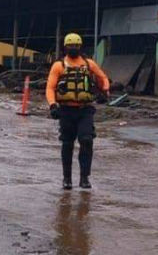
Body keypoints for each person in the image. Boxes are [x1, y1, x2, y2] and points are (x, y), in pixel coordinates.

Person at [46, 33, 110, 190]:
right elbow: (50, 87)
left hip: (85, 110)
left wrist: (105, 90)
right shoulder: (59, 66)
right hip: (66, 110)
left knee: (87, 140)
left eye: (76, 45)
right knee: (67, 144)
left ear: (80, 46)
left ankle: (84, 177)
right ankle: (67, 178)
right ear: (65, 47)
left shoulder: (88, 64)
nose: (73, 48)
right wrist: (53, 105)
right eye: (70, 46)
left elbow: (103, 77)